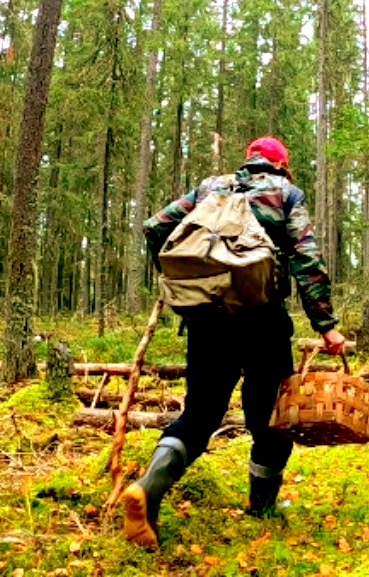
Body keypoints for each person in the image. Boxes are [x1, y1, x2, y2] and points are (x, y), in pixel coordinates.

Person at [121, 136, 346, 549]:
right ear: (282, 164)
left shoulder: (211, 187)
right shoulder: (285, 195)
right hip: (263, 322)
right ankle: (261, 508)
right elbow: (306, 260)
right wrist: (326, 325)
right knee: (270, 421)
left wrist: (185, 280)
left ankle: (148, 488)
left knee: (200, 415)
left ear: (249, 161)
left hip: (207, 320)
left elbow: (156, 227)